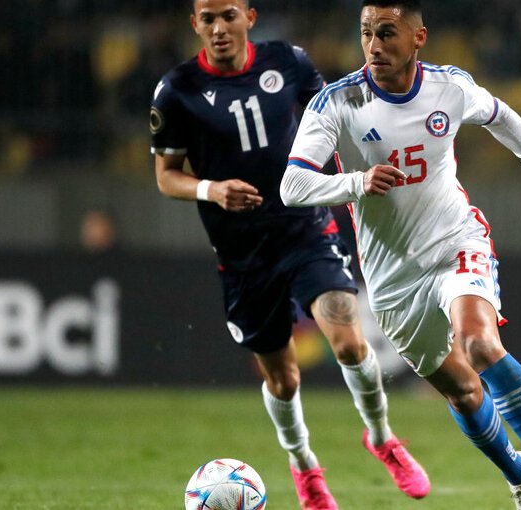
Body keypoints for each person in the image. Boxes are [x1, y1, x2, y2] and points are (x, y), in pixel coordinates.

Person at [280, 1, 521, 509]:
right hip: (392, 279)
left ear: (418, 37)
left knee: (480, 344)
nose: (375, 45)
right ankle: (520, 477)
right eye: (366, 34)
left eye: (387, 33)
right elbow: (293, 185)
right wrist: (356, 181)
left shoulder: (449, 86)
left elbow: (501, 116)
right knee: (463, 393)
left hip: (454, 243)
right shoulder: (338, 103)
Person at [150, 1, 429, 509]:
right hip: (242, 255)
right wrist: (212, 190)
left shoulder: (289, 63)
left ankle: (383, 438)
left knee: (347, 339)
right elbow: (166, 175)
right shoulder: (177, 91)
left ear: (249, 18)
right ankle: (305, 467)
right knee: (283, 376)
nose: (219, 28)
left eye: (228, 15)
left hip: (303, 228)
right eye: (207, 18)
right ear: (194, 24)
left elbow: (334, 117)